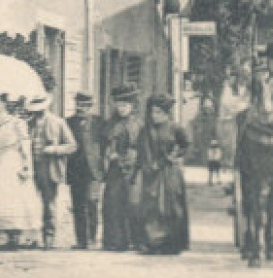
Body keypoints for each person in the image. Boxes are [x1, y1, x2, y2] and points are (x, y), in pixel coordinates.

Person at [0, 91, 42, 249]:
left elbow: (25, 145)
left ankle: (17, 234)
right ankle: (4, 234)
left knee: (14, 196)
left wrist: (27, 166)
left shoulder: (16, 123)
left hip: (13, 161)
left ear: (5, 104)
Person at [135, 94, 191, 255]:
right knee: (151, 207)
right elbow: (140, 150)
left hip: (170, 173)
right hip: (151, 173)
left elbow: (186, 145)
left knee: (171, 207)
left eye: (158, 113)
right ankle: (152, 243)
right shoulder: (145, 130)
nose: (155, 116)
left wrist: (174, 156)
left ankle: (172, 244)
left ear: (166, 113)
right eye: (153, 112)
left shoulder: (175, 128)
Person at [25, 91, 78, 250]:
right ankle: (32, 238)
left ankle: (49, 238)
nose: (37, 111)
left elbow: (72, 146)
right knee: (30, 204)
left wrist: (54, 149)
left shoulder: (58, 122)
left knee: (49, 204)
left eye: (40, 108)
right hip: (31, 168)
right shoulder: (29, 124)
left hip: (49, 168)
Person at [100, 86, 143, 252]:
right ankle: (114, 241)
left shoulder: (138, 124)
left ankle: (134, 240)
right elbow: (105, 142)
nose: (121, 108)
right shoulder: (110, 123)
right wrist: (109, 154)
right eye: (119, 105)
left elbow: (140, 147)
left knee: (132, 204)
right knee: (112, 204)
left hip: (132, 169)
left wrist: (125, 157)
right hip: (114, 170)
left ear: (132, 106)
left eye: (125, 105)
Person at [65, 92, 106, 250]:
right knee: (78, 205)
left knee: (92, 203)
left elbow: (105, 144)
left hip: (94, 170)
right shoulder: (68, 122)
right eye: (79, 104)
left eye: (84, 106)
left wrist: (103, 164)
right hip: (75, 170)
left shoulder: (99, 123)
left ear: (90, 107)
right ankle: (81, 240)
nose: (81, 108)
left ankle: (92, 239)